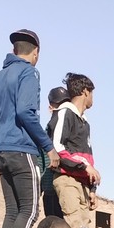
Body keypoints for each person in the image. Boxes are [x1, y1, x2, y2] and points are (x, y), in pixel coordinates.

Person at [0, 28, 59, 228]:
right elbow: (26, 111)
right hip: (22, 150)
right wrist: (48, 147)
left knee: (13, 211)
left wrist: (5, 133)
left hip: (0, 150)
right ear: (36, 52)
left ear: (13, 50)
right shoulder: (30, 73)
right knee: (30, 210)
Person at [48, 72, 100, 228]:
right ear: (85, 91)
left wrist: (92, 189)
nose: (92, 98)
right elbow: (57, 147)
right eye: (92, 93)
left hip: (82, 184)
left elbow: (87, 158)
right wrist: (84, 167)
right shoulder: (65, 113)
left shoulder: (85, 123)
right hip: (68, 180)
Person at [40, 86, 71, 220]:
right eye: (58, 105)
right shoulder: (47, 131)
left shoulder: (70, 126)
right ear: (51, 108)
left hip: (65, 187)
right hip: (50, 188)